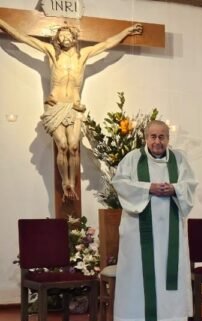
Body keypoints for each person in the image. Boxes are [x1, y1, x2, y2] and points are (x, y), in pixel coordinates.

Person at [0, 19, 142, 201]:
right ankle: (65, 182)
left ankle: (71, 182)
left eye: (68, 35)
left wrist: (126, 31)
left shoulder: (82, 56)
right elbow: (25, 39)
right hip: (55, 105)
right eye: (62, 36)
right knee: (63, 144)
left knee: (74, 147)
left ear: (74, 38)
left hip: (75, 107)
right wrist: (3, 23)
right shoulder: (52, 53)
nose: (65, 38)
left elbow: (107, 45)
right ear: (57, 39)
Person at [112, 120, 197, 321]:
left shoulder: (179, 159)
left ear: (168, 138)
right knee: (137, 273)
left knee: (169, 271)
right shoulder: (132, 158)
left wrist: (175, 189)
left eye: (162, 137)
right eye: (153, 136)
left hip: (171, 229)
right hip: (138, 230)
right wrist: (148, 188)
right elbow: (120, 183)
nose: (157, 141)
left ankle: (169, 320)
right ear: (146, 137)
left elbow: (190, 184)